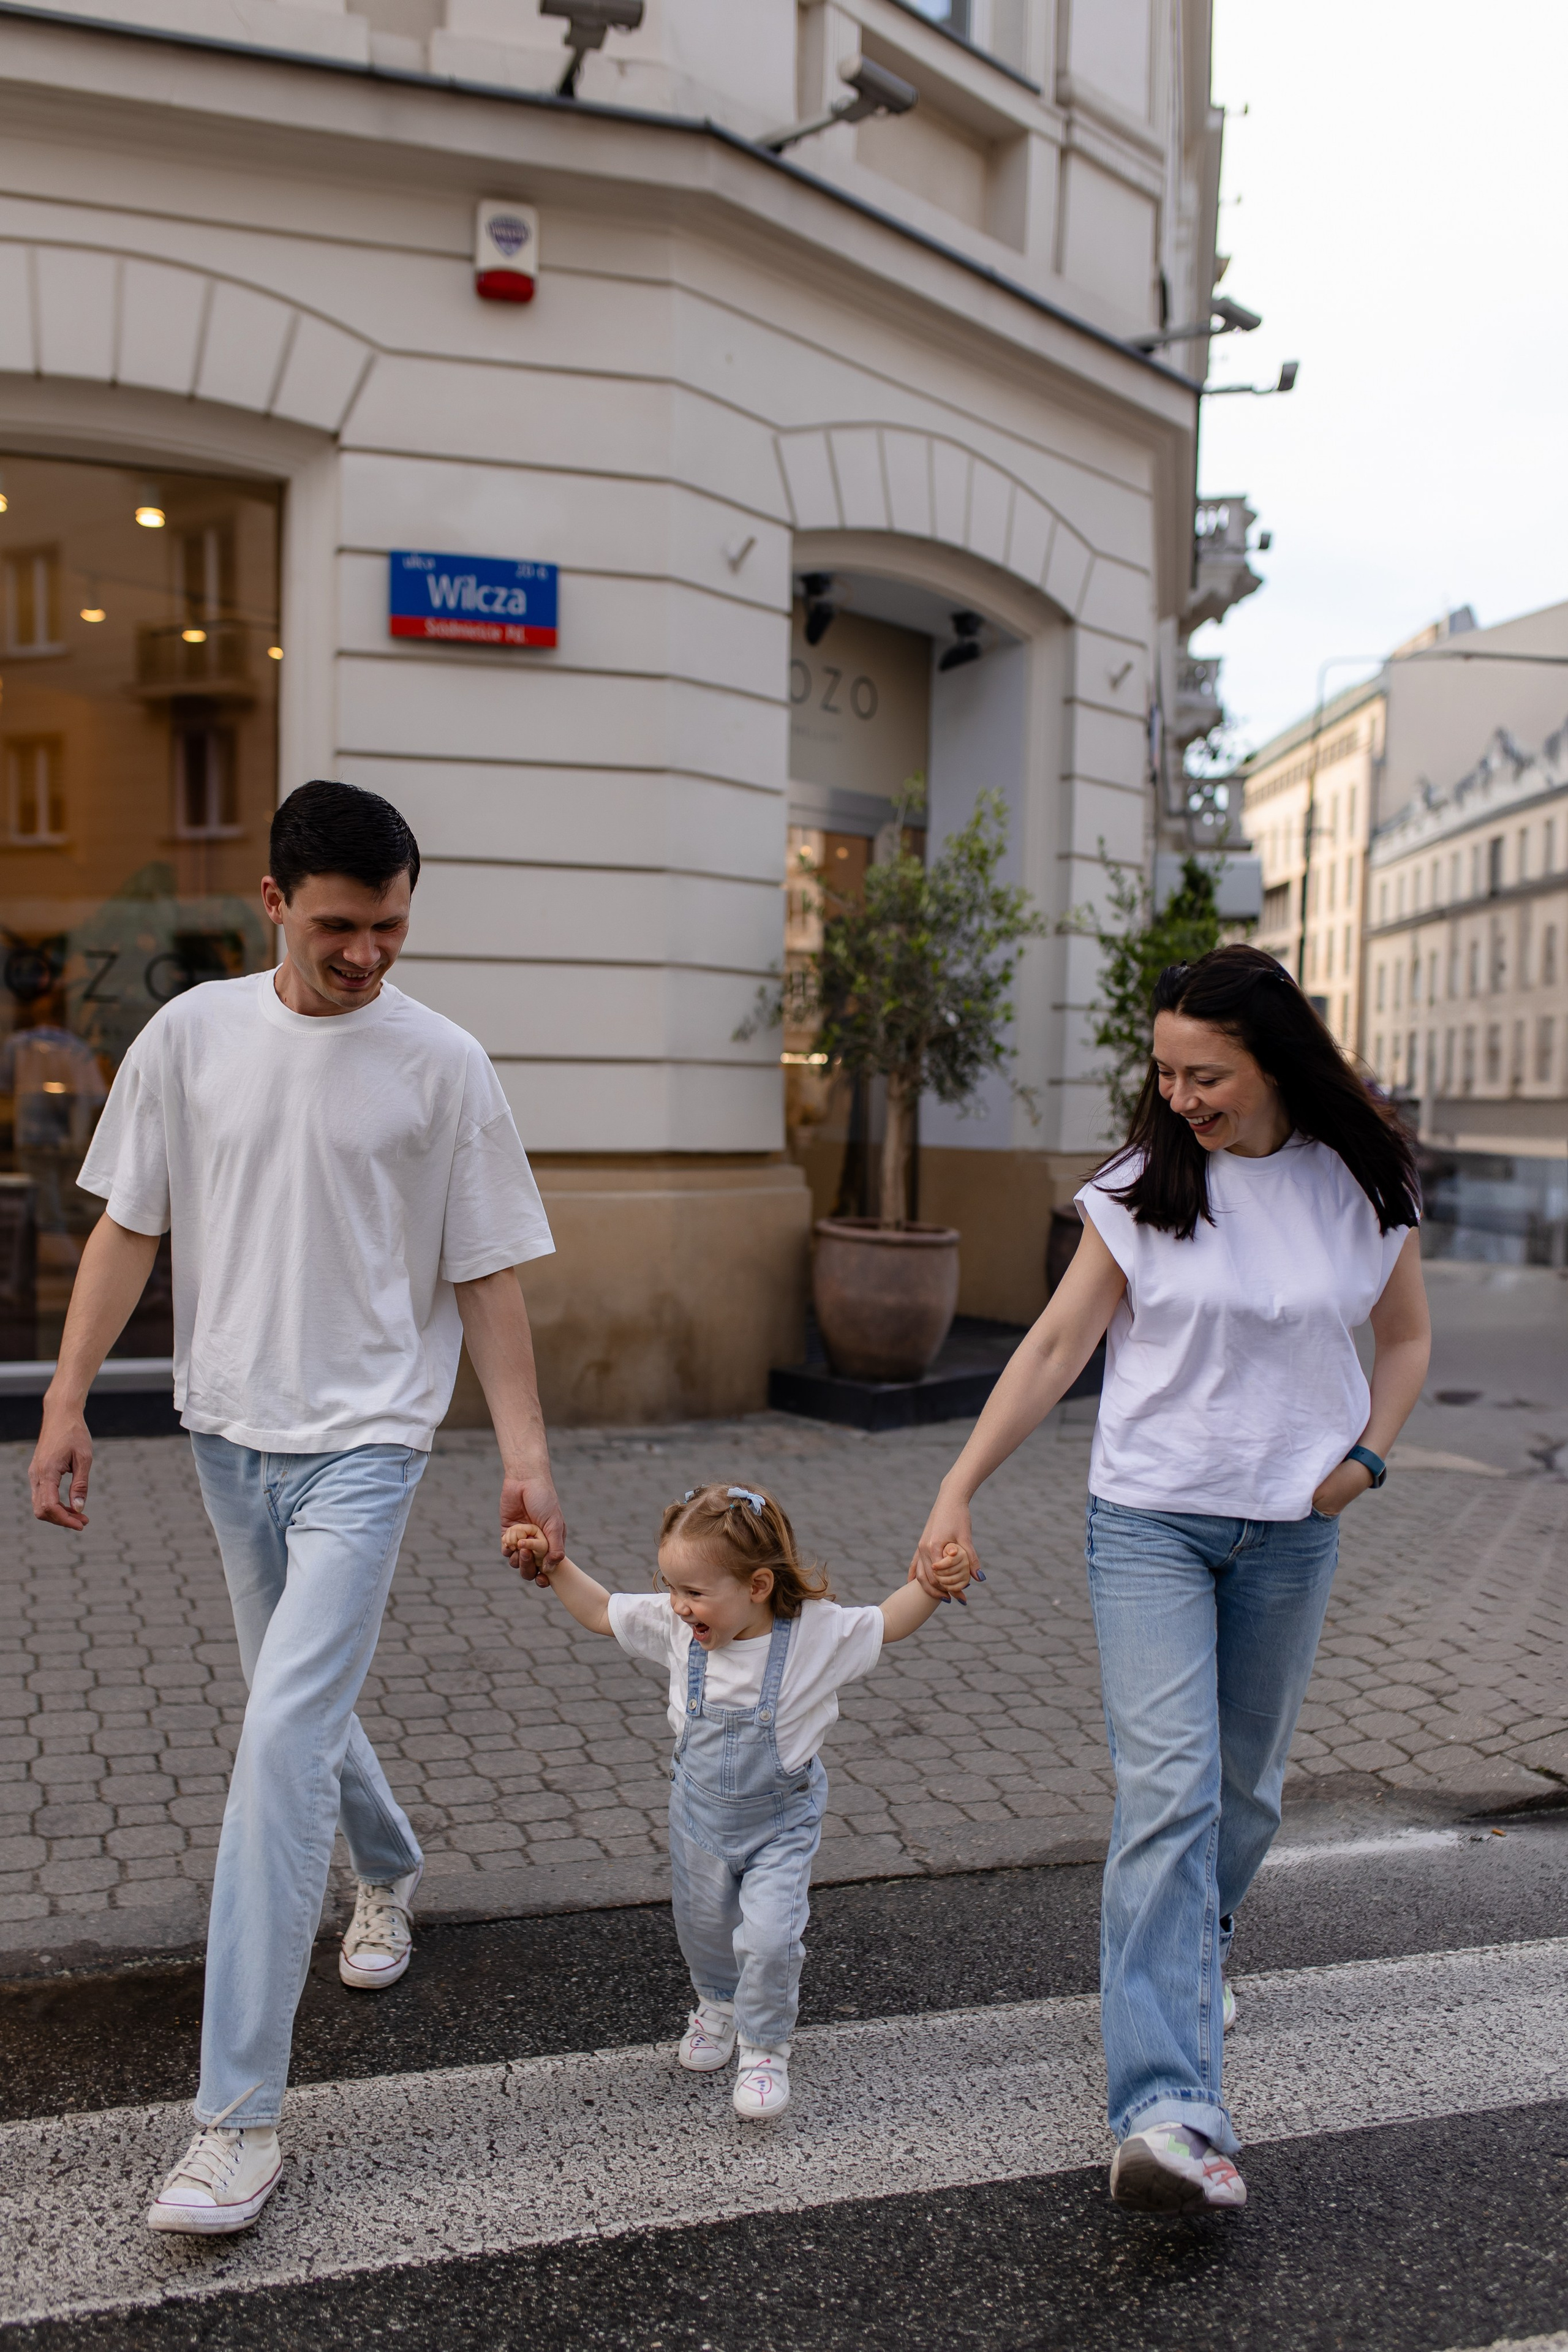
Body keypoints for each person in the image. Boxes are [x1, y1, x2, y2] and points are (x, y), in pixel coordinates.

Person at [28, 780, 563, 2237]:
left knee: (273, 1746)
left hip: (370, 1443)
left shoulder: (443, 1061)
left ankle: (234, 2123)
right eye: (338, 927)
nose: (368, 955)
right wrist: (67, 1395)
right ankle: (389, 1865)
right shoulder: (189, 1037)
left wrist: (522, 1449)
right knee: (292, 1702)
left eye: (390, 925)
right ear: (272, 901)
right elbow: (131, 1223)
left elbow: (488, 1266)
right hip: (227, 1432)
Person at [908, 946, 1430, 2215]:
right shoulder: (1140, 1188)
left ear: (1273, 1063)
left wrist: (1364, 1459)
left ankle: (1195, 1958)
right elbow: (1051, 1348)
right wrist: (954, 1486)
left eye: (1206, 1075)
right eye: (1164, 1072)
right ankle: (1163, 2107)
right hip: (1146, 1523)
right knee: (1168, 1794)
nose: (1179, 1095)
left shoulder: (1358, 1179)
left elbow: (1405, 1337)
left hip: (1290, 1532)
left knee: (1242, 1800)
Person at [505, 1482, 976, 2119]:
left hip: (781, 1819)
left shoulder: (815, 1634)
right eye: (671, 1588)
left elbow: (889, 1622)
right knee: (703, 1931)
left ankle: (763, 2047)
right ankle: (716, 2004)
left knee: (769, 1936)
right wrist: (555, 1564)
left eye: (694, 1594)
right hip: (698, 1818)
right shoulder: (677, 1629)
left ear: (757, 1587)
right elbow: (600, 1611)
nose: (677, 1606)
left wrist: (936, 1583)